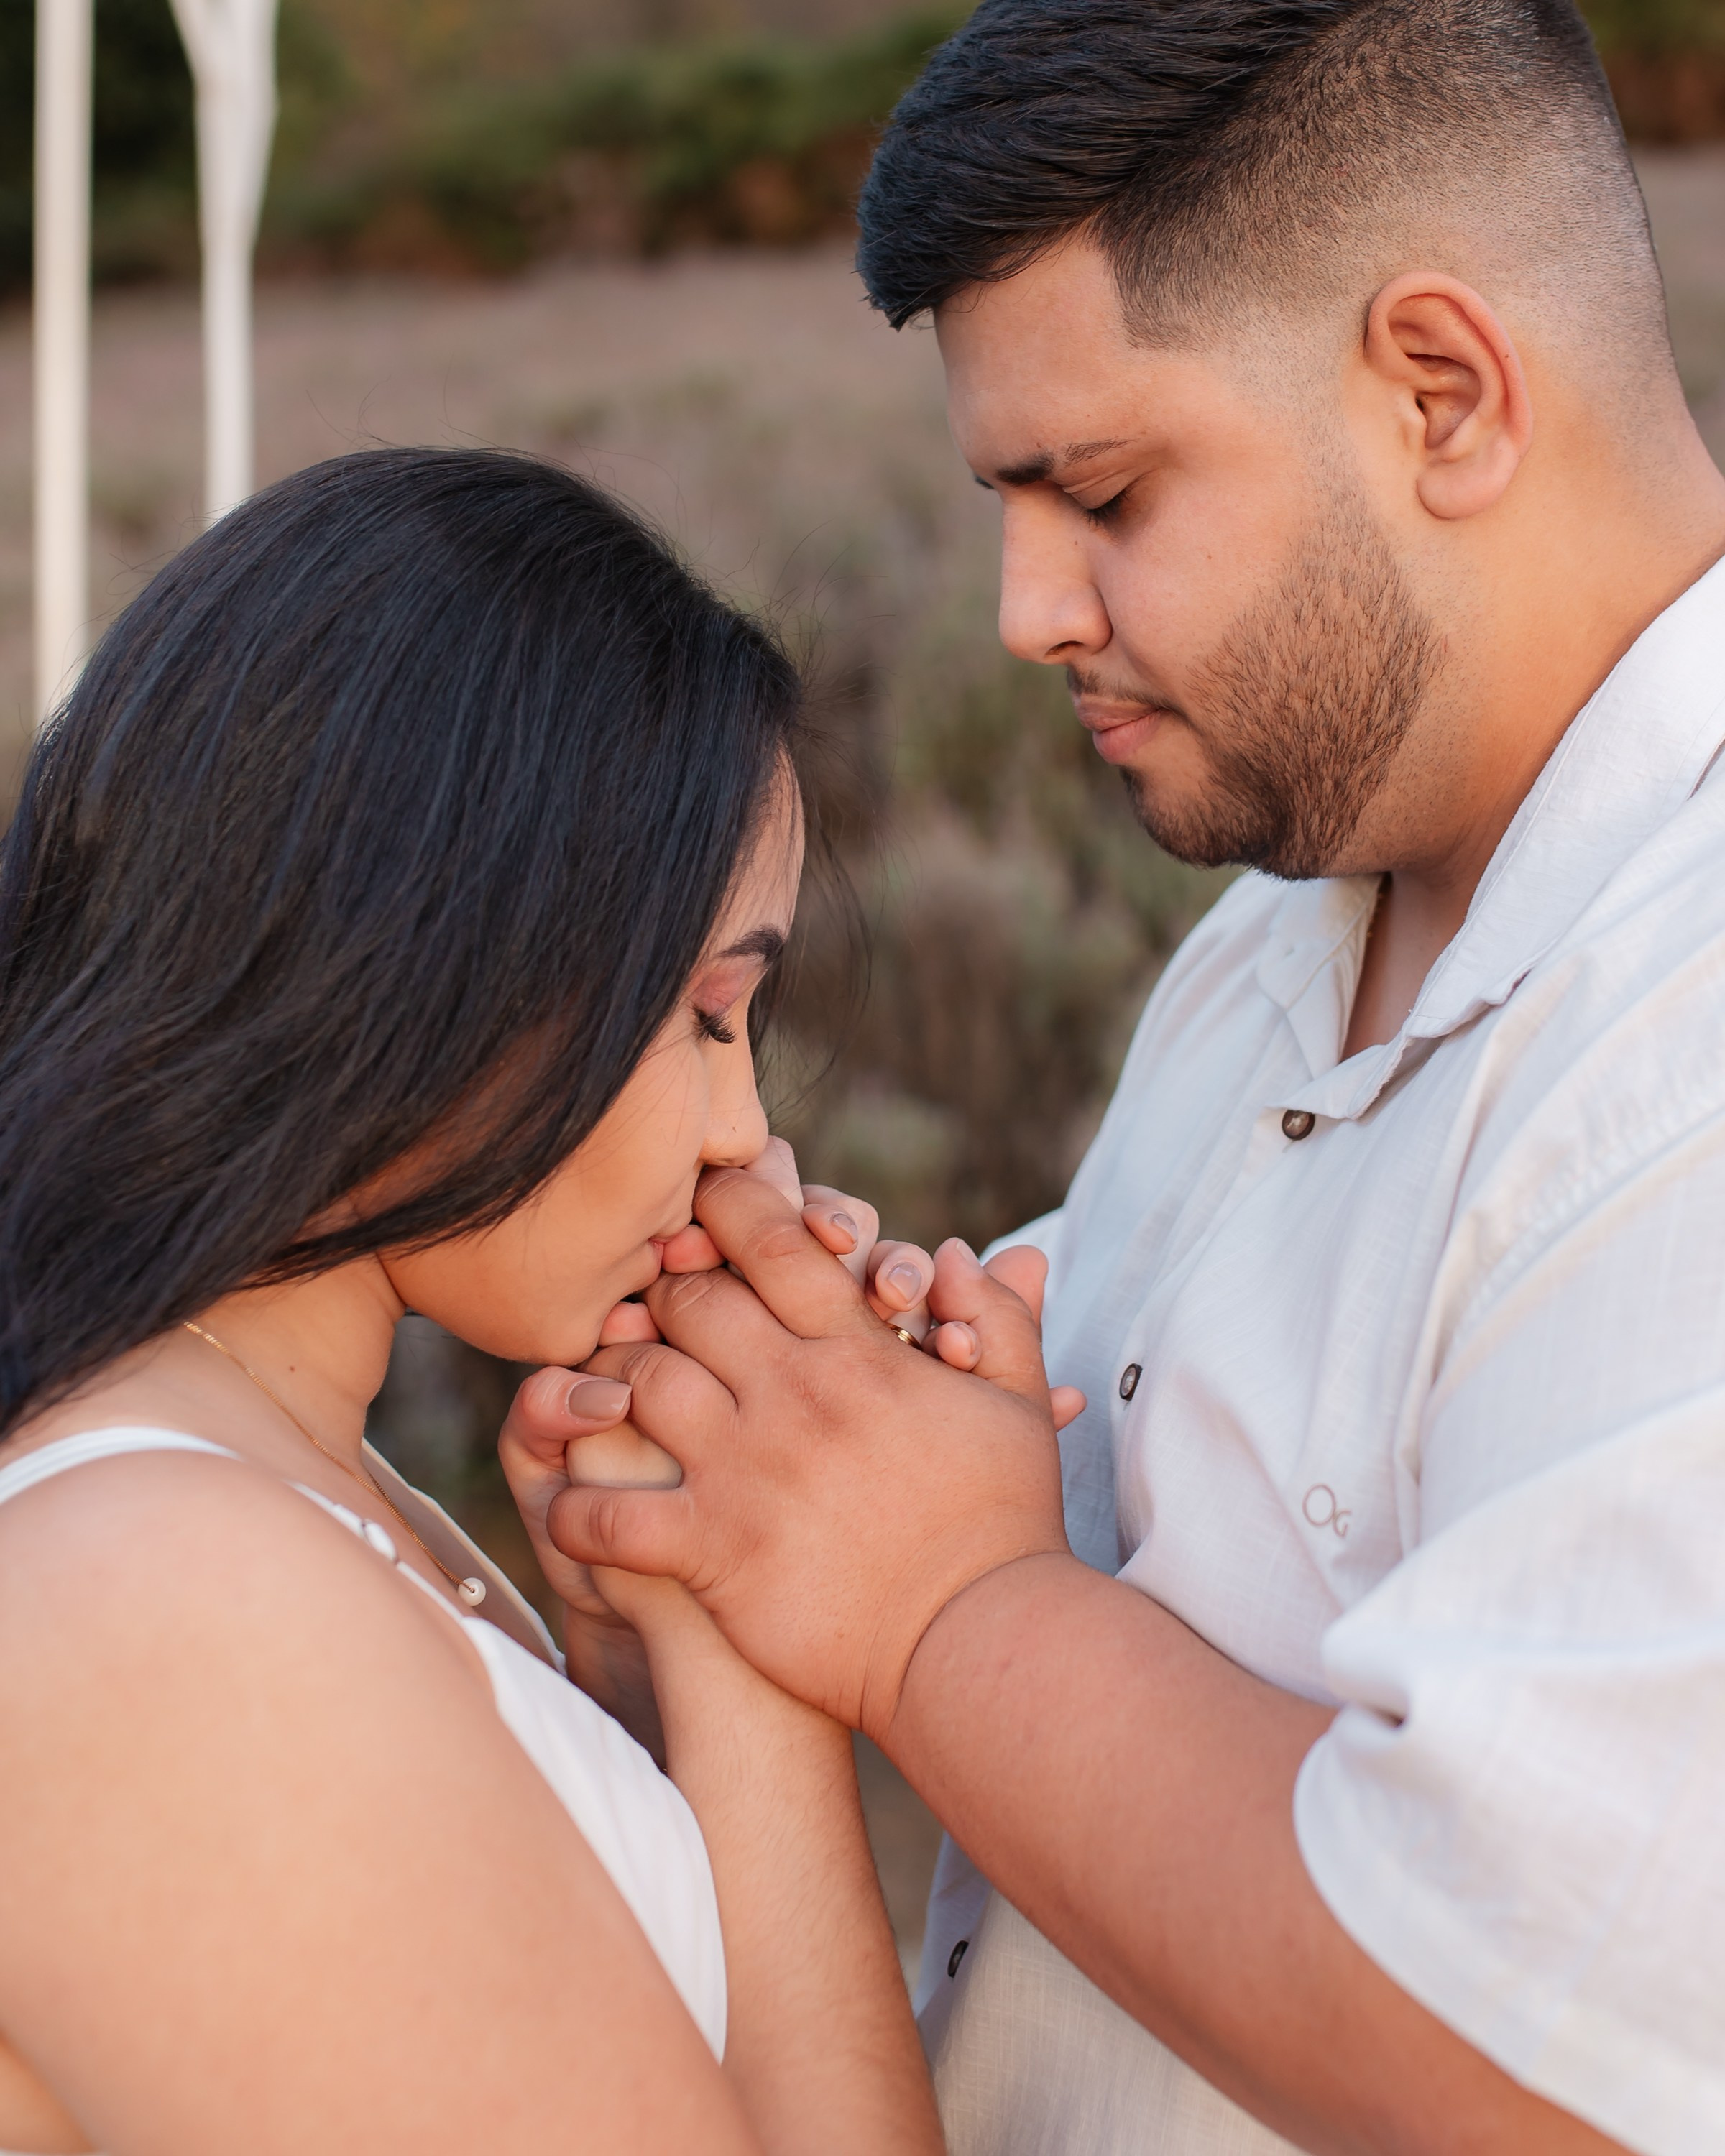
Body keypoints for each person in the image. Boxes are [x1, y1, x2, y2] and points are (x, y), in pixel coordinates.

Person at [528, 2, 1725, 2151]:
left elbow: (1538, 2056)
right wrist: (731, 1491)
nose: (1019, 612)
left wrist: (930, 1604)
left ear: (1442, 395)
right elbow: (1074, 1599)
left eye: (1099, 491)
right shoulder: (1283, 928)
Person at [0, 446, 947, 2156]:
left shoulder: (287, 1494)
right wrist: (755, 1675)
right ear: (438, 951)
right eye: (708, 1017)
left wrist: (669, 1627)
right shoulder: (179, 1600)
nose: (747, 1132)